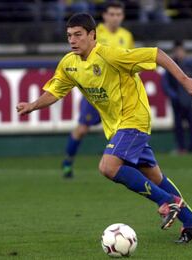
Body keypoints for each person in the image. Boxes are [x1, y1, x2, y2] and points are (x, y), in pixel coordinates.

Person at [17, 13, 192, 243]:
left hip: (134, 119)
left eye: (78, 35)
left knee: (108, 166)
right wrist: (33, 105)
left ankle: (166, 202)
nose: (73, 40)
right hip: (116, 127)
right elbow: (55, 91)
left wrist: (184, 80)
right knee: (154, 176)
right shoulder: (70, 64)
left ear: (92, 35)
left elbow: (156, 54)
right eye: (69, 36)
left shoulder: (110, 54)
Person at [62, 1, 134, 178]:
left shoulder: (127, 36)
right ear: (105, 16)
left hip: (118, 94)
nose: (115, 18)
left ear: (122, 16)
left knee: (122, 131)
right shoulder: (94, 33)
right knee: (81, 130)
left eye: (118, 14)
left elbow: (130, 62)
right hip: (97, 92)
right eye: (112, 14)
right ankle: (68, 161)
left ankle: (123, 165)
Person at [162, 41, 192, 155]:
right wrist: (174, 96)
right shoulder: (171, 66)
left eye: (181, 51)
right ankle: (181, 147)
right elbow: (165, 84)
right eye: (177, 51)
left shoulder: (189, 65)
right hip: (176, 102)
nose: (179, 53)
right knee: (178, 126)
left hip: (188, 101)